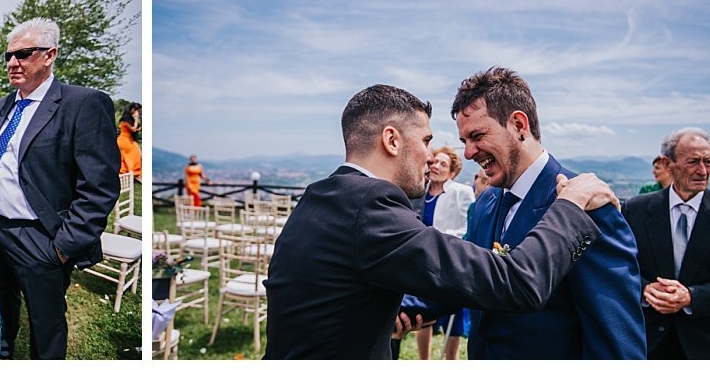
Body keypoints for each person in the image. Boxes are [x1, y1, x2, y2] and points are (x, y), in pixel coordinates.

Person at [263, 84, 619, 359]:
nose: (434, 155)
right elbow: (515, 283)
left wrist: (402, 309)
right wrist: (571, 206)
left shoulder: (320, 197)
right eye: (427, 140)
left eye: (475, 137)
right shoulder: (370, 206)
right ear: (391, 140)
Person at [451, 67, 645, 359]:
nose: (468, 153)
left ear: (519, 124)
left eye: (477, 135)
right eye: (464, 141)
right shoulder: (484, 205)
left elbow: (616, 341)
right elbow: (469, 279)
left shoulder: (588, 208)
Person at [0, 17, 119, 359]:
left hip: (41, 237)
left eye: (24, 54)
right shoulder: (1, 107)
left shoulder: (82, 104)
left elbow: (99, 185)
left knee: (46, 322)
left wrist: (63, 246)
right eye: (8, 56)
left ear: (49, 54)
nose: (13, 63)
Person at [623, 128, 710, 359]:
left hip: (707, 345)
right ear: (667, 163)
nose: (702, 171)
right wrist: (645, 289)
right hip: (647, 340)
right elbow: (621, 266)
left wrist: (692, 297)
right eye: (693, 162)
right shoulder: (635, 210)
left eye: (708, 162)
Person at [414, 146, 475, 360]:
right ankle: (424, 360)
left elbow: (469, 227)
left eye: (443, 164)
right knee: (422, 311)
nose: (436, 167)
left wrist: (440, 237)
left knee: (453, 317)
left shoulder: (461, 192)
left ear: (452, 172)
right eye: (434, 162)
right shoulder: (418, 192)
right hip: (423, 261)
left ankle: (451, 360)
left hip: (449, 260)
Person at [117, 102, 142, 180]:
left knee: (136, 155)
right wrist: (136, 118)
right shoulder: (125, 119)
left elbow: (137, 128)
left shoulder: (130, 119)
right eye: (138, 111)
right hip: (124, 140)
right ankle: (133, 173)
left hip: (130, 140)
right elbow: (133, 129)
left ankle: (132, 174)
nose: (139, 113)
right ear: (133, 110)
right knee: (132, 157)